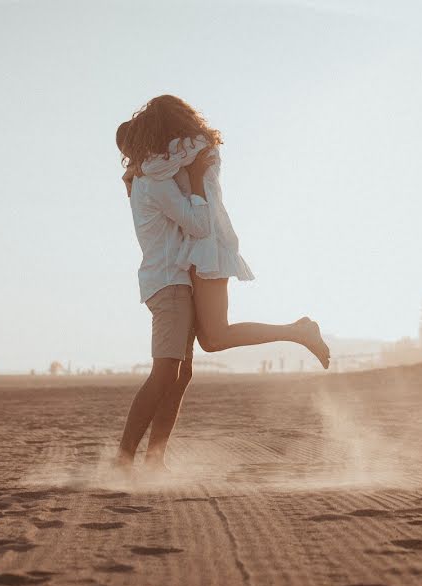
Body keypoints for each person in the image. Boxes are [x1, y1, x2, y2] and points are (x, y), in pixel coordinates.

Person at [118, 95, 331, 367]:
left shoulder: (189, 147)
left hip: (209, 244)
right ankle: (296, 331)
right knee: (210, 340)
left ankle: (297, 332)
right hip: (201, 242)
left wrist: (134, 169)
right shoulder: (191, 146)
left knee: (216, 336)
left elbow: (152, 167)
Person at [114, 131, 217, 473]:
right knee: (165, 373)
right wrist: (200, 180)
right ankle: (124, 460)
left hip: (172, 282)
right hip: (170, 284)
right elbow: (199, 225)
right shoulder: (154, 182)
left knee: (180, 373)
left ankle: (154, 459)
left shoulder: (146, 178)